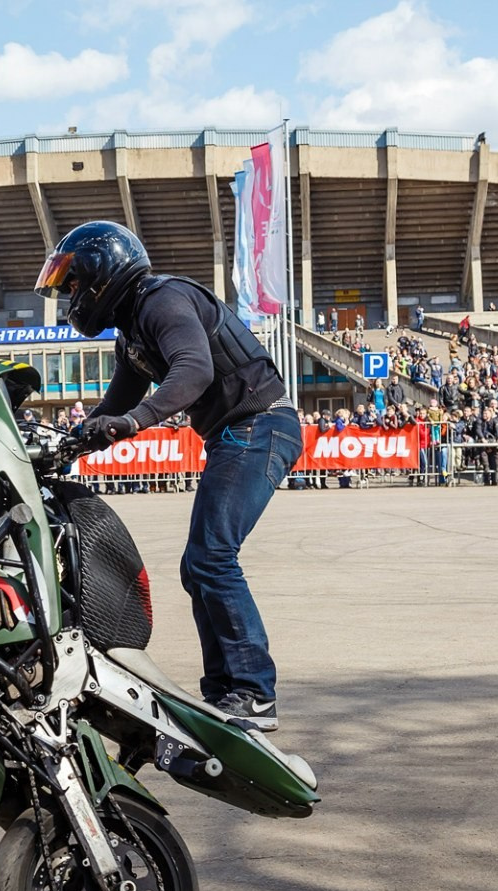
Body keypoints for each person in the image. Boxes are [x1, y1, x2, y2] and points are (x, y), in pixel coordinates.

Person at [35, 221, 301, 731]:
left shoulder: (164, 300)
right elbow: (119, 401)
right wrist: (68, 446)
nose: (69, 296)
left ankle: (253, 692)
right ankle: (225, 691)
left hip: (260, 426)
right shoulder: (133, 328)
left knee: (212, 558)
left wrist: (133, 423)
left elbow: (193, 370)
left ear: (100, 274)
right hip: (237, 434)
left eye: (71, 284)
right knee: (199, 564)